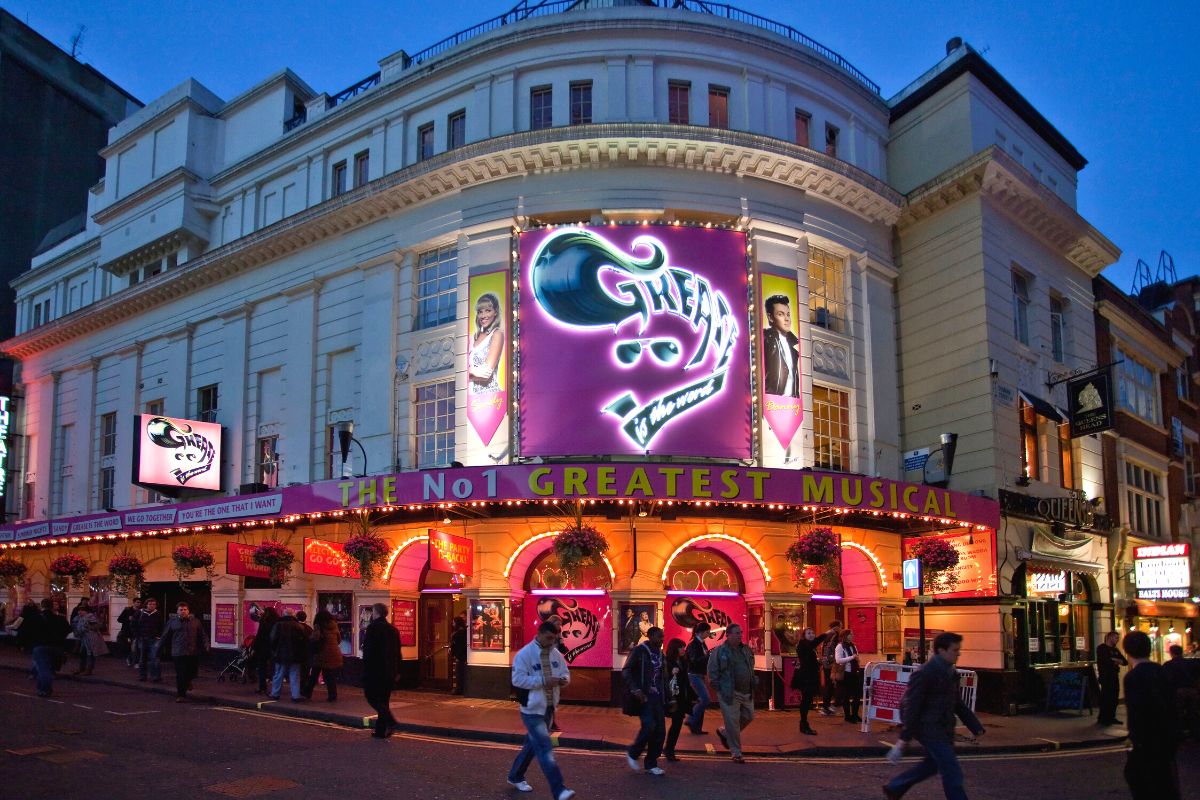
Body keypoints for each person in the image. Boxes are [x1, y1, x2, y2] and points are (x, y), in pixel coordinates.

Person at [884, 632, 985, 800]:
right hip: (929, 729)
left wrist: (975, 726)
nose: (958, 653)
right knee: (952, 771)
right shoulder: (924, 673)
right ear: (941, 650)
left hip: (943, 728)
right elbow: (912, 707)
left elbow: (957, 702)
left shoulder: (951, 672)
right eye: (955, 650)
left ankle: (895, 787)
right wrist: (904, 739)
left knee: (931, 765)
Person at [507, 621, 575, 799]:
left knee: (532, 745)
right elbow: (518, 680)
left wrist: (563, 680)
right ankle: (559, 790)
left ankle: (515, 776)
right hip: (531, 710)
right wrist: (543, 681)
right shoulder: (524, 655)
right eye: (549, 638)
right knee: (545, 748)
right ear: (539, 633)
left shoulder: (556, 654)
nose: (552, 642)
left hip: (549, 708)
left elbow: (565, 673)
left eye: (554, 638)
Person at [1121, 630, 1181, 800]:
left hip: (1147, 742)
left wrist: (1134, 740)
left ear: (1127, 651)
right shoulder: (1161, 671)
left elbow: (1137, 713)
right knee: (1166, 784)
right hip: (1167, 738)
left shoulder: (1133, 677)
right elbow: (1171, 704)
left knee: (1140, 781)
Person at [622, 626, 668, 775]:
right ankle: (633, 753)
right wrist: (635, 689)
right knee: (649, 727)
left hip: (658, 698)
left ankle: (651, 764)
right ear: (651, 636)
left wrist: (670, 697)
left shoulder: (661, 653)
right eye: (659, 637)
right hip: (645, 697)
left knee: (660, 731)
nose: (662, 640)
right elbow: (627, 670)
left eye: (662, 637)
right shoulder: (640, 651)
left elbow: (663, 676)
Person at [708, 622, 755, 763]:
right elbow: (712, 670)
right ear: (728, 635)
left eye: (741, 632)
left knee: (749, 716)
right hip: (729, 692)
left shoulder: (746, 649)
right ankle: (736, 752)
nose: (740, 635)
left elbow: (750, 666)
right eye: (737, 633)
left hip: (746, 691)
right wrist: (719, 688)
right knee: (733, 722)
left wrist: (753, 679)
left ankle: (724, 732)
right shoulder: (720, 651)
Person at [361, 602, 401, 739]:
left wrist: (365, 670)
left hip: (375, 670)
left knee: (371, 697)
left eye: (372, 611)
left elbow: (368, 651)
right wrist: (398, 670)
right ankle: (380, 731)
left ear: (376, 612)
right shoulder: (393, 629)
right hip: (389, 671)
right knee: (384, 700)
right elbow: (398, 652)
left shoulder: (373, 628)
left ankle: (391, 721)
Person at [158, 601, 208, 702]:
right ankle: (181, 695)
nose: (183, 611)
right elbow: (164, 636)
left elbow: (203, 634)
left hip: (192, 651)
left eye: (185, 610)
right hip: (178, 652)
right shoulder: (172, 622)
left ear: (188, 611)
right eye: (181, 610)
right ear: (177, 611)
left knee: (193, 672)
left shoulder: (195, 621)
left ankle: (188, 681)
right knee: (180, 673)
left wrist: (206, 644)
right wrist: (158, 649)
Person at [792, 626, 834, 735]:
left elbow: (809, 660)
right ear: (804, 636)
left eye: (813, 633)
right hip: (806, 678)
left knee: (807, 700)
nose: (811, 635)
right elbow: (813, 644)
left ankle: (804, 724)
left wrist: (819, 662)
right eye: (809, 633)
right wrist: (825, 634)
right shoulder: (803, 644)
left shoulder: (810, 647)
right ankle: (804, 724)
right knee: (805, 701)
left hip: (810, 676)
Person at [762, 293, 800, 397]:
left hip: (790, 406)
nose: (787, 319)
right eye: (781, 314)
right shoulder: (765, 340)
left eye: (788, 314)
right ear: (770, 317)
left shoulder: (793, 349)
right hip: (771, 403)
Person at [663, 637, 693, 761]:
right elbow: (664, 679)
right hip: (671, 697)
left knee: (677, 724)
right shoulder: (668, 662)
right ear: (674, 648)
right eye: (681, 647)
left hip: (680, 698)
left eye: (684, 647)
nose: (683, 649)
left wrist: (693, 696)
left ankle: (669, 749)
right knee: (673, 724)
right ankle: (668, 749)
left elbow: (686, 681)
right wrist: (671, 672)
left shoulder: (683, 662)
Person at [269, 608, 309, 702]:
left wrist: (274, 651)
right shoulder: (299, 626)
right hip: (295, 656)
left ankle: (275, 694)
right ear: (293, 615)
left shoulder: (278, 625)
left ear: (283, 615)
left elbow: (272, 639)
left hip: (280, 654)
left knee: (279, 674)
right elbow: (304, 642)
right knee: (295, 675)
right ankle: (295, 696)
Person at [304, 609, 344, 702]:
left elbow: (315, 638)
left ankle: (307, 692)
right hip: (335, 654)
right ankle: (332, 695)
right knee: (330, 677)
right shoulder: (334, 626)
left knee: (314, 675)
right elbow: (339, 640)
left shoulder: (318, 626)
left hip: (321, 654)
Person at [468, 292, 503, 395]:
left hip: (490, 398)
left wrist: (468, 372)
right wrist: (472, 372)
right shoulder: (471, 338)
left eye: (488, 310)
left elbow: (486, 373)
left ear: (495, 312)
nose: (483, 316)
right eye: (480, 312)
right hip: (471, 399)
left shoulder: (497, 334)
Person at [1163, 644, 1198, 739]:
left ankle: (1180, 732)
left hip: (1178, 690)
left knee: (1178, 712)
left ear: (1172, 653)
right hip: (1192, 689)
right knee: (1193, 711)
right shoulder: (1191, 663)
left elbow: (1166, 680)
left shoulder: (1168, 665)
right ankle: (1194, 732)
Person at [684, 622, 712, 734]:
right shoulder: (694, 644)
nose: (709, 634)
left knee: (701, 699)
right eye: (707, 632)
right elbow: (694, 660)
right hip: (694, 674)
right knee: (705, 699)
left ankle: (696, 728)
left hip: (699, 674)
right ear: (700, 632)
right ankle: (690, 719)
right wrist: (707, 656)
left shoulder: (701, 644)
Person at [1096, 630, 1127, 726]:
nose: (1117, 640)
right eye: (1115, 638)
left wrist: (1115, 660)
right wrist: (1116, 661)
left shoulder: (1116, 650)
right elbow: (1106, 661)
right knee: (1106, 697)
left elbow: (1124, 661)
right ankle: (1103, 718)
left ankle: (1111, 717)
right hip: (1106, 676)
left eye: (1118, 638)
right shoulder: (1102, 648)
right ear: (1109, 637)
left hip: (1114, 676)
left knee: (1114, 698)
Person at [39, 599, 70, 694]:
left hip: (41, 645)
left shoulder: (37, 618)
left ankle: (44, 689)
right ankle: (47, 681)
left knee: (43, 667)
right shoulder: (60, 618)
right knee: (50, 664)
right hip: (56, 645)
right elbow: (67, 629)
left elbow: (28, 631)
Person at [72, 602, 107, 676]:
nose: (80, 612)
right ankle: (81, 668)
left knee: (90, 654)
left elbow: (98, 625)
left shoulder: (90, 616)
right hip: (83, 638)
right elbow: (76, 627)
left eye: (82, 610)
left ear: (86, 611)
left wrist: (89, 628)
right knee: (82, 653)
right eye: (79, 610)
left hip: (91, 638)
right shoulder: (79, 618)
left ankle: (88, 669)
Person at [835, 628, 863, 723]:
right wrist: (852, 657)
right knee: (846, 696)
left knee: (857, 695)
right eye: (851, 634)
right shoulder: (840, 646)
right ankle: (848, 716)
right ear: (845, 636)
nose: (852, 635)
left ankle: (855, 715)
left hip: (854, 672)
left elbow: (856, 656)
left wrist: (857, 659)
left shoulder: (853, 646)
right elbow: (838, 660)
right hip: (846, 673)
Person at [136, 597, 165, 682]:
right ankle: (142, 676)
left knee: (155, 658)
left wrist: (159, 636)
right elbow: (134, 624)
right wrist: (137, 635)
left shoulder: (158, 614)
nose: (152, 606)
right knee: (142, 658)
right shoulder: (140, 613)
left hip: (154, 639)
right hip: (143, 638)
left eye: (154, 604)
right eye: (150, 604)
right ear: (146, 605)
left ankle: (155, 676)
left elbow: (162, 626)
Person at [251, 606, 279, 694]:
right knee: (275, 669)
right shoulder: (277, 623)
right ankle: (276, 689)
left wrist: (254, 647)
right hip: (274, 648)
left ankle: (262, 687)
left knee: (262, 668)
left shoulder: (264, 622)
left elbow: (259, 636)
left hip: (263, 649)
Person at [819, 620, 843, 715]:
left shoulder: (826, 634)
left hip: (826, 663)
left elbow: (823, 648)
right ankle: (831, 706)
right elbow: (834, 649)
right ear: (836, 626)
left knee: (829, 685)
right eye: (840, 626)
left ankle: (826, 706)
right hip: (833, 664)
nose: (841, 629)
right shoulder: (835, 635)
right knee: (835, 684)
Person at [117, 598, 142, 666]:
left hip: (136, 632)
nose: (138, 604)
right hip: (127, 632)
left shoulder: (141, 611)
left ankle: (135, 662)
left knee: (135, 648)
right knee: (129, 647)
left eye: (140, 602)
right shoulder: (127, 610)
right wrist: (127, 619)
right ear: (133, 603)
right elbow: (119, 619)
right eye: (137, 602)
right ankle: (129, 659)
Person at [450, 616, 468, 695]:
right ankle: (459, 688)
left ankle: (459, 689)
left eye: (454, 622)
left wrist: (456, 655)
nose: (453, 624)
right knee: (459, 673)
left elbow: (459, 646)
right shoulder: (462, 631)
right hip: (461, 656)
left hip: (460, 657)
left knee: (459, 673)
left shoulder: (460, 633)